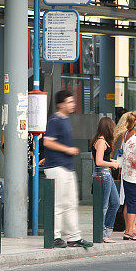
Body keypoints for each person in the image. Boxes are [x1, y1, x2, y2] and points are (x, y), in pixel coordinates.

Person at [43, 90, 92, 248]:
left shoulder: (64, 120)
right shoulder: (55, 120)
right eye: (69, 102)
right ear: (60, 104)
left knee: (70, 203)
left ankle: (74, 237)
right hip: (56, 167)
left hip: (67, 167)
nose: (73, 104)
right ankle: (54, 236)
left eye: (73, 101)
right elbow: (47, 142)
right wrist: (67, 149)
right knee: (58, 204)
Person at [90, 117, 121, 243]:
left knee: (115, 202)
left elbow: (94, 155)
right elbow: (98, 162)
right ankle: (102, 233)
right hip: (103, 174)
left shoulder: (98, 140)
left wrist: (109, 161)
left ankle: (107, 231)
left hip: (105, 173)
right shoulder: (102, 141)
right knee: (103, 205)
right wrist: (112, 164)